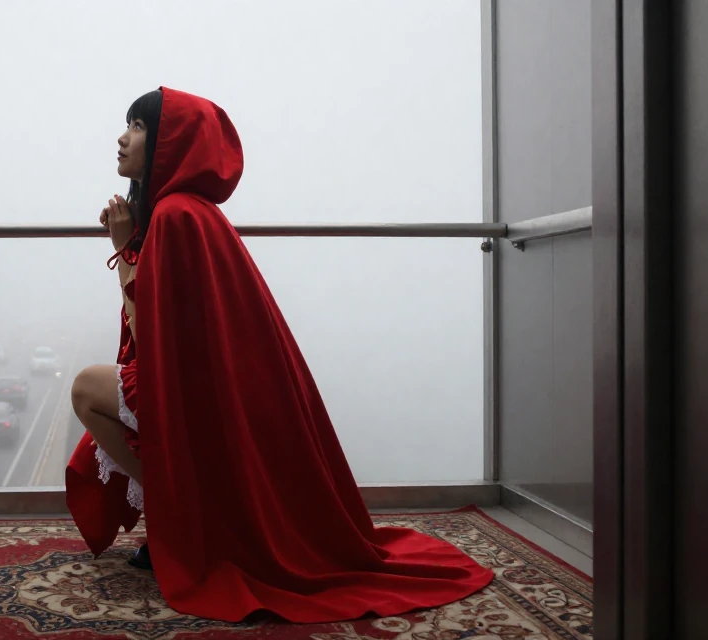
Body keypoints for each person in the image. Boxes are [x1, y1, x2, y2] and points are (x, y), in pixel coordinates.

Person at [65, 87, 493, 624]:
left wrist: (123, 247)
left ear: (171, 142)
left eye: (139, 126)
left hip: (192, 395)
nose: (123, 137)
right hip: (208, 394)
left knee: (86, 390)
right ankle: (183, 514)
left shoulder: (175, 217)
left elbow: (149, 329)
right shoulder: (191, 213)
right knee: (102, 396)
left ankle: (180, 515)